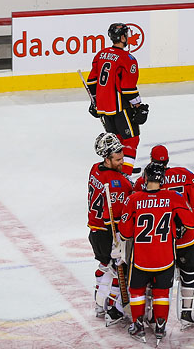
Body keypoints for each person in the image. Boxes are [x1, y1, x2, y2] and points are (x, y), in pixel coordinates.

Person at [133, 145, 194, 326]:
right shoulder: (185, 175)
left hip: (157, 244)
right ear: (168, 160)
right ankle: (188, 313)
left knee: (153, 279)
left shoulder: (142, 181)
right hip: (186, 240)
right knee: (191, 272)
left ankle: (152, 316)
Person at [118, 161, 194, 343]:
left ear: (145, 178)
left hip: (141, 259)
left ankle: (138, 325)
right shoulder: (173, 198)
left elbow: (126, 232)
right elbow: (191, 222)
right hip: (165, 259)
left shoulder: (133, 199)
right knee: (162, 291)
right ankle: (160, 326)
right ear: (163, 179)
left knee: (137, 290)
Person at [86, 23, 149, 176]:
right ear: (122, 38)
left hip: (103, 108)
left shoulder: (100, 55)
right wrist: (138, 105)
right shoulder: (127, 59)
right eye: (126, 35)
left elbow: (91, 82)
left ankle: (120, 168)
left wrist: (95, 102)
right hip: (120, 107)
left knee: (117, 141)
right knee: (131, 140)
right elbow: (128, 87)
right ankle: (125, 176)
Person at [87, 133, 133, 323]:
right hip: (109, 234)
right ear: (107, 158)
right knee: (119, 269)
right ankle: (114, 308)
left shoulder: (95, 169)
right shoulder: (117, 184)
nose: (122, 162)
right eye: (118, 159)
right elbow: (114, 217)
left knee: (104, 267)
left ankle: (100, 305)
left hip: (94, 231)